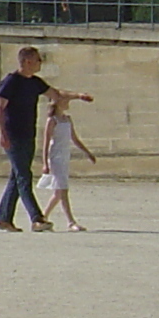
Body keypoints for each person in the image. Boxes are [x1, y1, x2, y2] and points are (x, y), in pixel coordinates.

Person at [0, 46, 56, 233]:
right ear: (27, 62)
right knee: (24, 176)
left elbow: (55, 94)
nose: (40, 63)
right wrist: (3, 133)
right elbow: (0, 107)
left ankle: (4, 219)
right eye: (38, 60)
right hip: (13, 135)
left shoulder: (35, 82)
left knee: (17, 176)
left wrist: (78, 96)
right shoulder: (11, 82)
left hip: (28, 135)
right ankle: (37, 218)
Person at [40, 88, 98, 232]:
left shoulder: (67, 119)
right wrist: (45, 163)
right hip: (55, 157)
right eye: (65, 100)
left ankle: (42, 217)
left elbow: (74, 139)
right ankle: (71, 222)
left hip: (65, 156)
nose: (67, 102)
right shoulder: (52, 121)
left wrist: (87, 152)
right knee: (63, 189)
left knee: (58, 192)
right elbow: (46, 142)